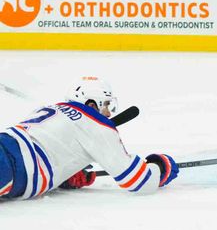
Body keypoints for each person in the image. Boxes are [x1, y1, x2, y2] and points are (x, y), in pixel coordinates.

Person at [0, 77, 178, 199]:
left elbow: (45, 147)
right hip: (11, 166)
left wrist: (65, 172)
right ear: (91, 103)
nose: (108, 113)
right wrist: (160, 166)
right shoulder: (97, 125)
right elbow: (140, 181)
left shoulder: (55, 108)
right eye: (106, 104)